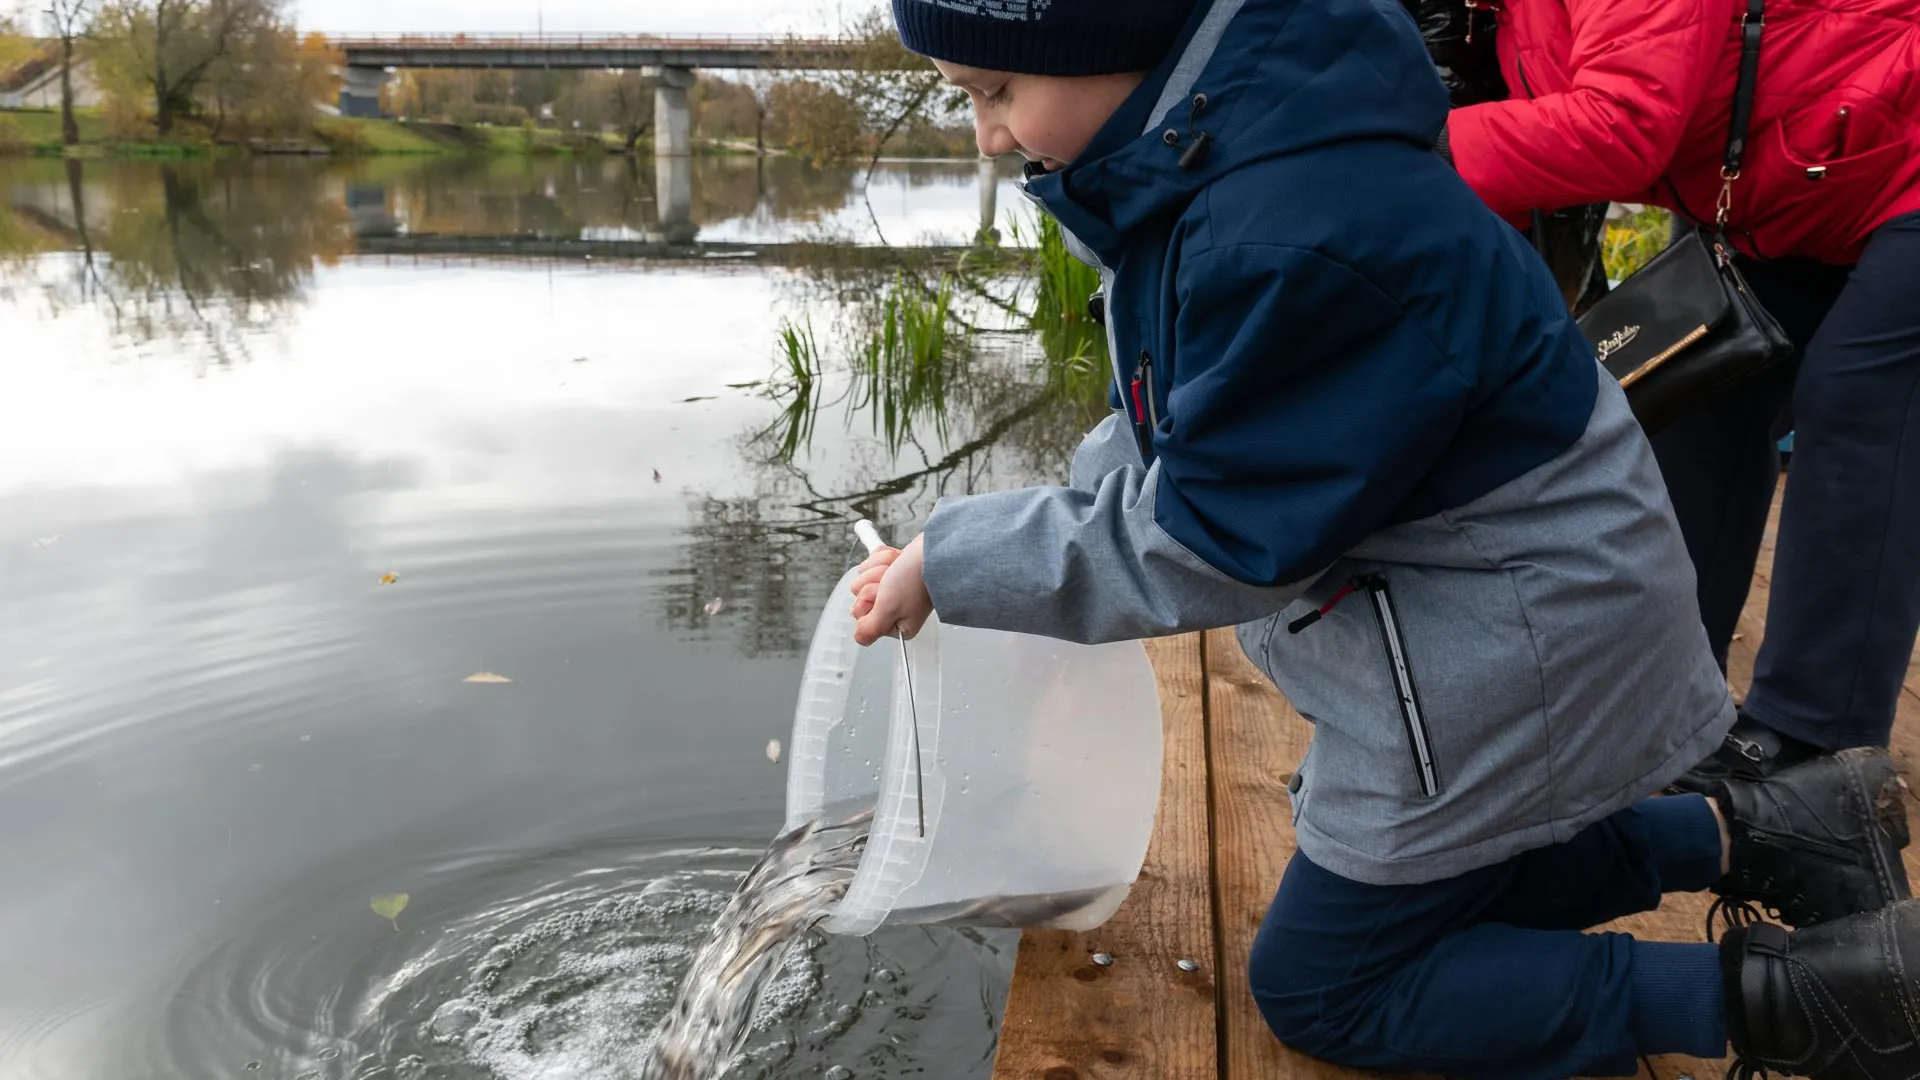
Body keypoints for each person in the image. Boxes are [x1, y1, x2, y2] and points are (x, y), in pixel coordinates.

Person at [850, 0, 1919, 1077]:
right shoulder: (1234, 165)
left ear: (1107, 45)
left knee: (1327, 983)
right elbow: (1175, 421)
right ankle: (1781, 829)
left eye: (997, 92)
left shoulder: (1285, 230)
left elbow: (1215, 538)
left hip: (1521, 644)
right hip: (1513, 611)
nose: (987, 135)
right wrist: (1005, 541)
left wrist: (960, 561)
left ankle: (1815, 1001)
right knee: (1456, 883)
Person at [1430, 0, 1920, 789]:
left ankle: (1815, 748)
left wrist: (1402, 157)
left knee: (1862, 410)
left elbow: (1620, 126)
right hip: (1799, 179)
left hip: (1893, 154)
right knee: (1698, 402)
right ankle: (1667, 702)